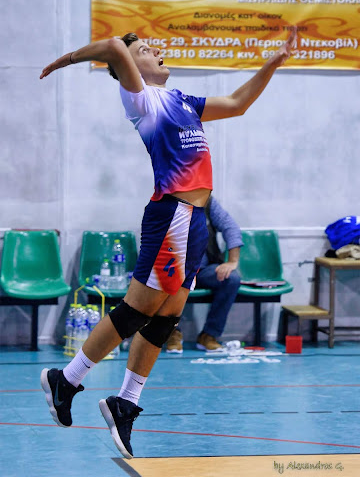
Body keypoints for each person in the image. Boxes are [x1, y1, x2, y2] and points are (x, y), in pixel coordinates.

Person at [39, 27, 297, 460]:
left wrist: (272, 63)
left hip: (195, 221)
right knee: (137, 310)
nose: (155, 51)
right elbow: (109, 46)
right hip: (173, 213)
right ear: (127, 70)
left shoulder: (182, 101)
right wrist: (66, 60)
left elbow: (237, 103)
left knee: (167, 316)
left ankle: (125, 401)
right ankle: (67, 378)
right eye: (144, 50)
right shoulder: (141, 99)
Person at [166, 196, 243, 353]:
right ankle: (171, 333)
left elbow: (231, 227)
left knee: (231, 279)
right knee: (162, 279)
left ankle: (209, 335)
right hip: (175, 271)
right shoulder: (163, 204)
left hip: (203, 271)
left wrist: (232, 261)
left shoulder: (207, 202)